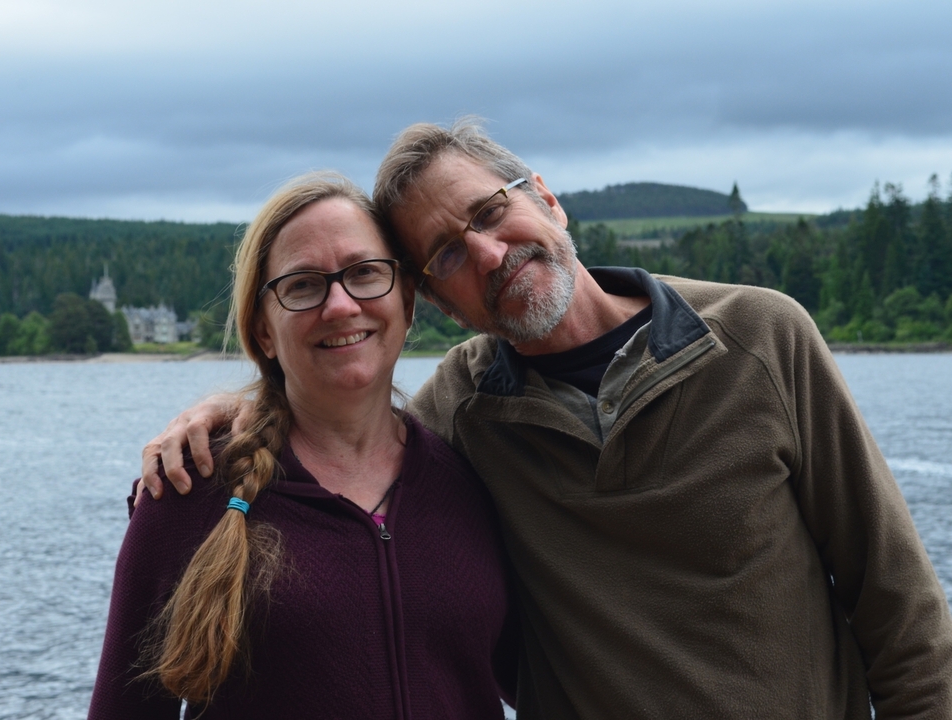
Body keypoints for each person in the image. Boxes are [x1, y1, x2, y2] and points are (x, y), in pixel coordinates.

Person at [139, 121, 952, 719]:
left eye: (489, 213)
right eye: (446, 255)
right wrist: (237, 409)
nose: (488, 254)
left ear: (546, 199)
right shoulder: (462, 414)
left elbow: (903, 618)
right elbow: (341, 425)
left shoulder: (760, 337)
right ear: (437, 304)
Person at [89, 173, 518, 719]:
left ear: (407, 301)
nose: (340, 305)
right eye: (303, 285)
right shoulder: (188, 493)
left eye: (365, 273)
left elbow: (536, 678)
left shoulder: (472, 479)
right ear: (263, 332)